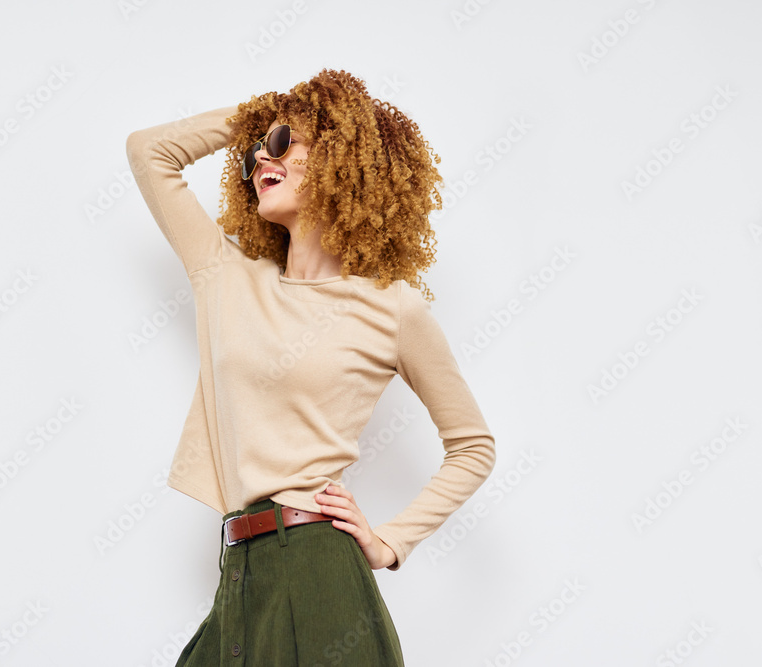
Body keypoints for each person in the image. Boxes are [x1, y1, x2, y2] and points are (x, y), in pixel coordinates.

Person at [125, 68, 496, 666]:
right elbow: (150, 152)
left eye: (281, 144)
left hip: (322, 574)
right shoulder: (226, 275)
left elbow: (473, 445)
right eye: (253, 153)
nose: (258, 160)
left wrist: (390, 542)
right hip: (239, 571)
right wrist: (260, 117)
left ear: (341, 155)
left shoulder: (390, 306)